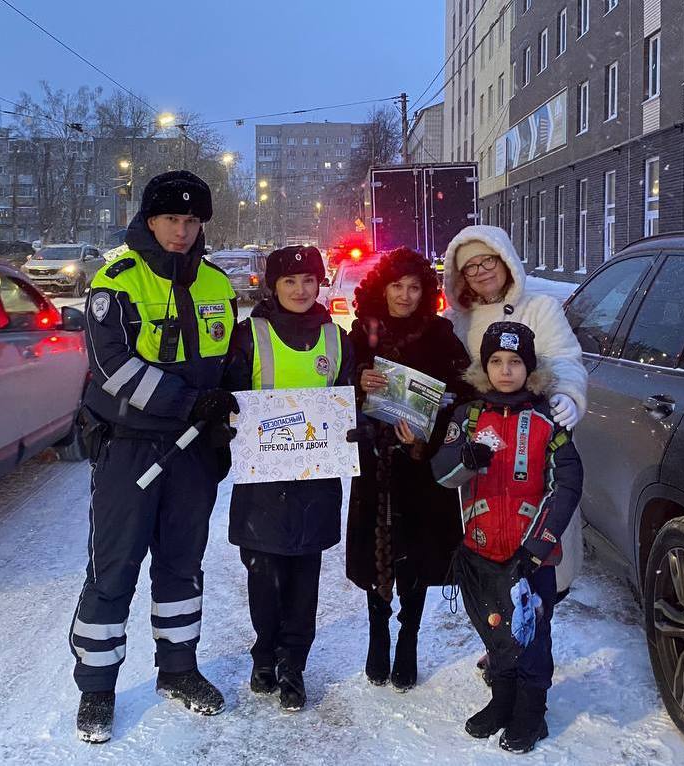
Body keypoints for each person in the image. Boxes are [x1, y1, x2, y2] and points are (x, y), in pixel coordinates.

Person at [69, 171, 239, 743]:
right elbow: (112, 368)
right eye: (172, 219)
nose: (183, 231)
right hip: (128, 449)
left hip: (193, 455)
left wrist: (228, 407)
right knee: (114, 568)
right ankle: (96, 688)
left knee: (182, 565)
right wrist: (191, 402)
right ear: (149, 219)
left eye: (193, 222)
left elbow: (232, 364)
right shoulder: (114, 281)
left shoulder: (218, 283)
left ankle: (180, 670)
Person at [432, 321, 583, 754]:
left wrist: (537, 547)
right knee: (494, 633)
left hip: (529, 558)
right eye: (496, 361)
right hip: (480, 552)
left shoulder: (547, 421)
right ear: (485, 367)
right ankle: (502, 701)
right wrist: (466, 460)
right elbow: (442, 475)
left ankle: (531, 713)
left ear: (529, 368)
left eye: (515, 362)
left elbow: (567, 484)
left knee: (532, 637)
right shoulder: (468, 416)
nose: (505, 370)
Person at [225, 245, 354, 712]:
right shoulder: (247, 335)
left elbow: (349, 400)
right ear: (273, 286)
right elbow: (229, 394)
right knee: (262, 573)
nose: (301, 290)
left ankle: (293, 663)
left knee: (305, 574)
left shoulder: (337, 339)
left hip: (316, 481)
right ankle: (265, 654)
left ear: (320, 284)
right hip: (262, 480)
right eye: (290, 281)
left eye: (309, 281)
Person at [345, 247, 473, 692]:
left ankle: (409, 637)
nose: (404, 295)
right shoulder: (363, 332)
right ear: (382, 287)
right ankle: (377, 632)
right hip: (374, 462)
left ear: (427, 291)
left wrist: (426, 439)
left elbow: (461, 398)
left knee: (416, 552)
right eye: (396, 286)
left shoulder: (440, 335)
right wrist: (359, 380)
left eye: (414, 287)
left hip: (421, 466)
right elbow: (337, 388)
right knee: (375, 549)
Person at [443, 225, 587, 430]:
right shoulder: (455, 320)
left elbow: (563, 358)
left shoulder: (540, 308)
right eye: (470, 266)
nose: (481, 271)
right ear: (463, 276)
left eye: (488, 260)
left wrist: (566, 392)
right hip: (473, 430)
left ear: (505, 260)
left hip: (530, 430)